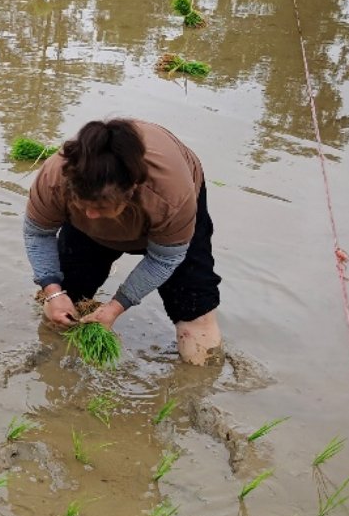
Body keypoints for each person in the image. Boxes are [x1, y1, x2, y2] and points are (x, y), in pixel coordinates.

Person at [22, 118, 221, 365]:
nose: (91, 215)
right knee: (65, 305)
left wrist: (117, 306)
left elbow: (165, 258)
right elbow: (38, 233)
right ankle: (51, 370)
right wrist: (52, 292)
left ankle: (194, 392)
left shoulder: (170, 196)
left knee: (195, 310)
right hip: (85, 224)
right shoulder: (55, 177)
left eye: (100, 207)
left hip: (168, 224)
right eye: (84, 205)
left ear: (132, 190)